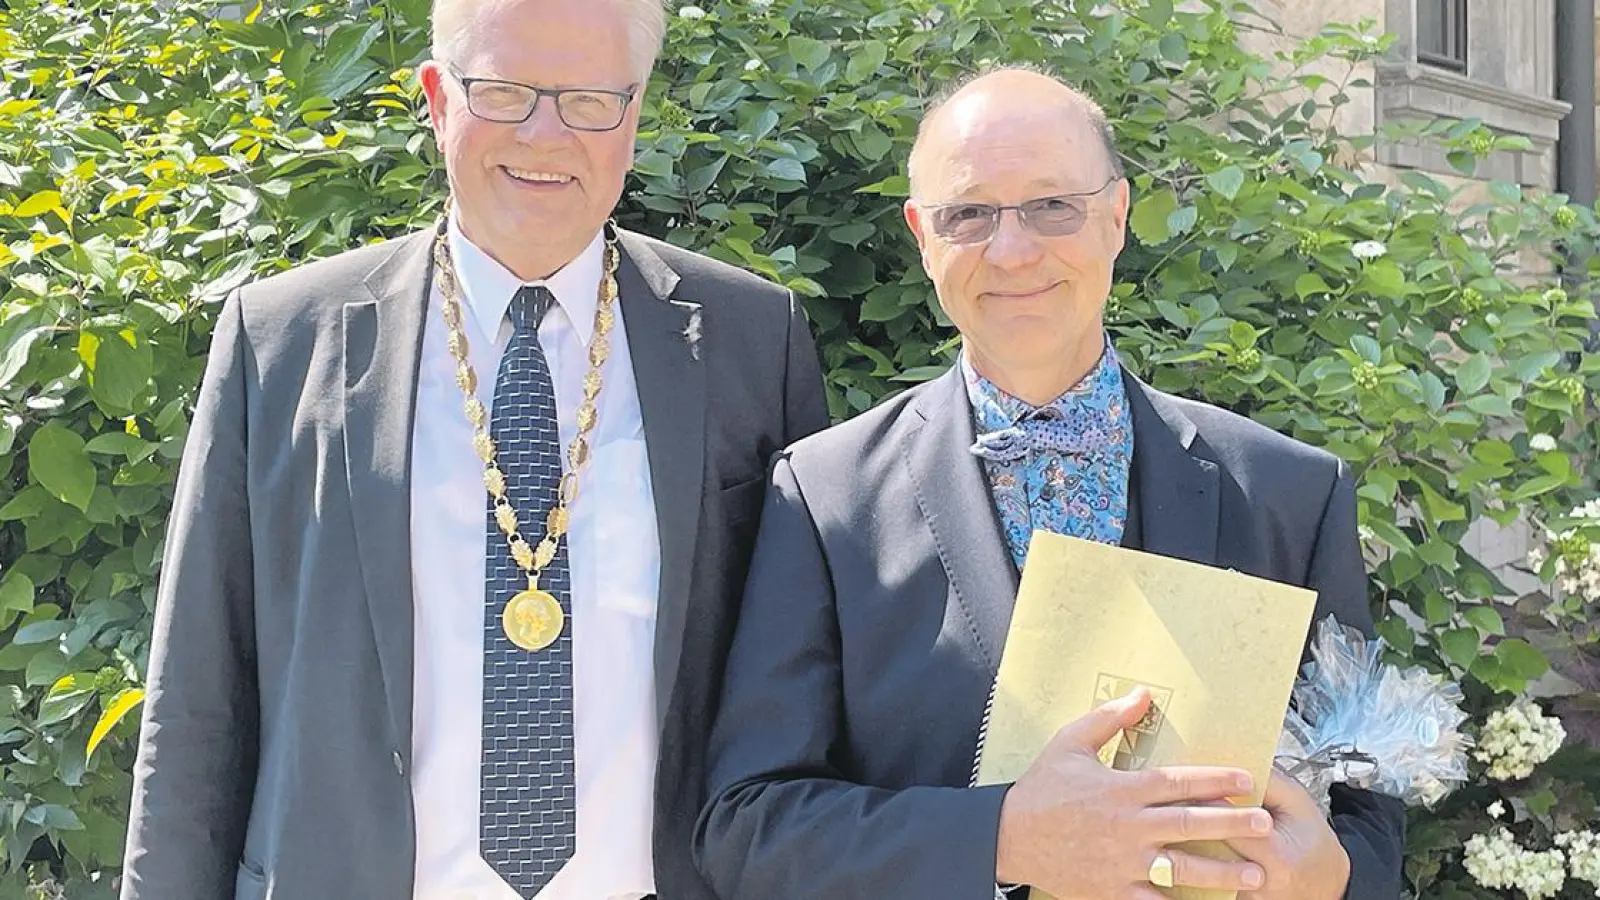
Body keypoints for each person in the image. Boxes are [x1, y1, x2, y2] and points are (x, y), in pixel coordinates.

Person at [119, 0, 828, 897]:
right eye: (503, 91)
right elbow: (198, 697)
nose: (545, 135)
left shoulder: (752, 341)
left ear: (634, 112)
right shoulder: (282, 341)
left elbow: (801, 692)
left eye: (588, 100)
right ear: (436, 98)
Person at [693, 68, 1404, 899]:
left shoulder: (1292, 495)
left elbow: (1369, 819)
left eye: (1053, 205)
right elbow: (748, 828)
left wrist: (1332, 877)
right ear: (922, 236)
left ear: (1117, 216)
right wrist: (1001, 842)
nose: (1013, 251)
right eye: (969, 214)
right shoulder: (825, 498)